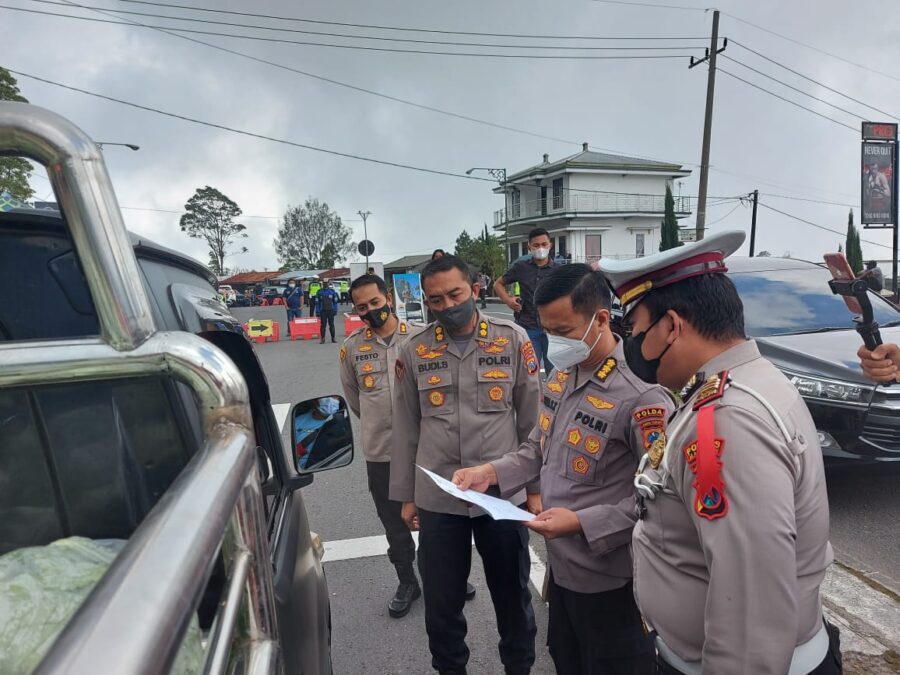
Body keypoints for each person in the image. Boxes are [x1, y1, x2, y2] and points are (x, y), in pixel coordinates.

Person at [599, 230, 840, 674]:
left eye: (635, 331)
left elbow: (752, 615)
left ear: (672, 327)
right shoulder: (746, 379)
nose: (630, 345)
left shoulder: (729, 421)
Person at [453, 264, 673, 675]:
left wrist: (582, 522)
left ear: (601, 319)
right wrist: (490, 472)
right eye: (548, 331)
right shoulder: (562, 374)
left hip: (613, 582)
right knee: (566, 659)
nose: (554, 341)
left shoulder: (642, 396)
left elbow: (663, 501)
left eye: (564, 331)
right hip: (563, 572)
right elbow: (538, 450)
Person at [390, 255, 540, 675]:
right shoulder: (414, 349)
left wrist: (534, 489)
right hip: (440, 496)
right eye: (436, 299)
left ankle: (519, 668)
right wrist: (406, 496)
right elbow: (406, 426)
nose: (448, 305)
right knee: (441, 604)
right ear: (426, 301)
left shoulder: (512, 339)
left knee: (512, 597)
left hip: (501, 493)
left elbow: (532, 419)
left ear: (474, 289)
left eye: (455, 294)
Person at [339, 274, 422, 617]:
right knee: (393, 524)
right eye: (362, 307)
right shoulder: (351, 349)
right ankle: (407, 581)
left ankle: (443, 575)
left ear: (388, 297)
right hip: (381, 452)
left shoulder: (419, 337)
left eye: (375, 302)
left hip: (425, 450)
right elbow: (355, 400)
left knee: (437, 519)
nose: (371, 311)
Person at [494, 227, 557, 375]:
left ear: (550, 245)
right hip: (528, 328)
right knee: (530, 372)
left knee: (555, 374)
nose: (540, 248)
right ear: (529, 247)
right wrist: (508, 301)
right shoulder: (521, 268)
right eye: (536, 245)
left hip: (553, 330)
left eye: (544, 244)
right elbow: (498, 284)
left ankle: (552, 391)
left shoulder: (559, 271)